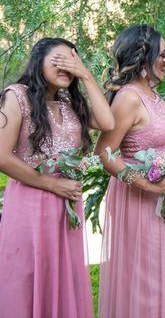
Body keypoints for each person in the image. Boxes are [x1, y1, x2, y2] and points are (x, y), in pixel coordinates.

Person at [0, 38, 114, 318]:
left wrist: (85, 74)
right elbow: (2, 156)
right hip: (30, 203)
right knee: (27, 276)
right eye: (60, 59)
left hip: (65, 210)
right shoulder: (17, 96)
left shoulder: (68, 103)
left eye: (72, 60)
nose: (67, 66)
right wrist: (53, 184)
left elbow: (108, 123)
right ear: (39, 59)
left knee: (63, 276)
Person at [95, 25, 165, 318]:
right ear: (143, 58)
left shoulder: (150, 92)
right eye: (162, 53)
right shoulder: (129, 97)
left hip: (161, 198)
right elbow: (104, 153)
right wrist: (148, 185)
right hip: (138, 199)